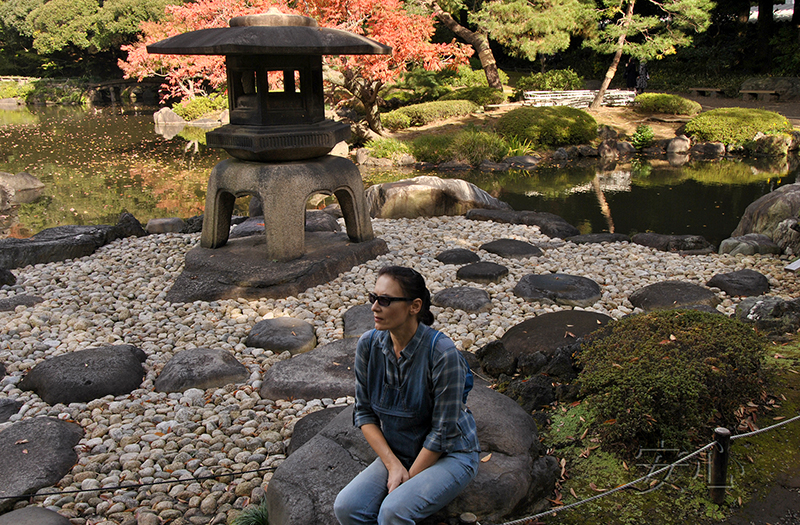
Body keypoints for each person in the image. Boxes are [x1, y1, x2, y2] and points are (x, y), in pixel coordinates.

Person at [334, 266, 480, 525]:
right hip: (399, 450)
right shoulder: (368, 345)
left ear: (414, 306)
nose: (374, 308)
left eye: (385, 300)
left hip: (450, 453)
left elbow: (442, 433)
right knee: (347, 507)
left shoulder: (442, 354)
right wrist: (392, 466)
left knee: (393, 511)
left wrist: (406, 480)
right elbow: (364, 413)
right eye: (373, 298)